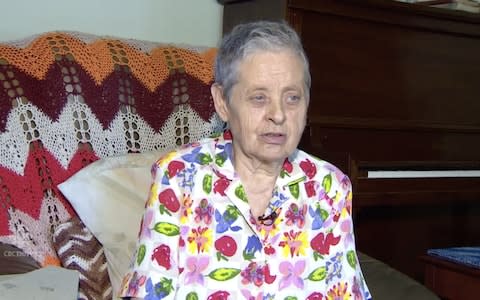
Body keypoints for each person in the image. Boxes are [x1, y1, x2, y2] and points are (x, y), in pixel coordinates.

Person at [119, 20, 371, 300]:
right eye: (259, 98)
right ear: (222, 102)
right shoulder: (179, 177)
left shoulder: (330, 187)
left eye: (292, 98)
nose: (278, 114)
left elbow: (346, 293)